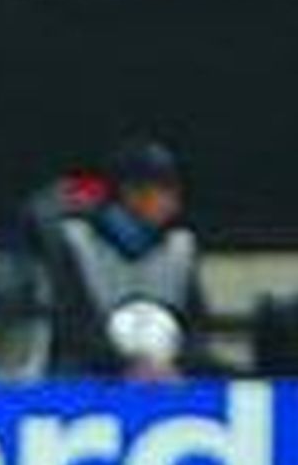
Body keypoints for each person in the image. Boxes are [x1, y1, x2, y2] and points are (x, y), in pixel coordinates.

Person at [23, 138, 213, 380]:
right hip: (90, 375)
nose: (173, 204)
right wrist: (124, 365)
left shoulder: (181, 246)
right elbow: (71, 325)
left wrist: (177, 362)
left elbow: (195, 325)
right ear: (130, 193)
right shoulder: (76, 240)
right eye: (164, 192)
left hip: (165, 373)